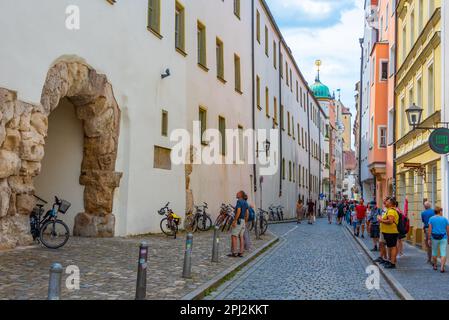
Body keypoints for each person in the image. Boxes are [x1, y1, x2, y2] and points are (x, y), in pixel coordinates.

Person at [376, 197, 399, 269]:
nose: (386, 202)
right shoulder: (389, 210)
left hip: (391, 232)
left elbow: (390, 221)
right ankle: (390, 261)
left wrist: (381, 220)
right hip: (388, 232)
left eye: (388, 202)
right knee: (390, 247)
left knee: (392, 247)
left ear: (391, 203)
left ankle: (392, 263)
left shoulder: (391, 211)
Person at [228, 191, 249, 258]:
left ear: (240, 195)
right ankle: (241, 252)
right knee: (241, 237)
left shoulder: (239, 201)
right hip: (243, 221)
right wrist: (245, 221)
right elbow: (246, 212)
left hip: (238, 220)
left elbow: (239, 211)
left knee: (234, 236)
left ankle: (234, 252)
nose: (236, 193)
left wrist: (234, 220)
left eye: (238, 193)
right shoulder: (245, 202)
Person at [428, 207, 449, 273]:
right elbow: (448, 230)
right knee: (443, 252)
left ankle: (435, 265)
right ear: (439, 211)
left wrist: (429, 238)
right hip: (443, 237)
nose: (442, 212)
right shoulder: (445, 219)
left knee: (434, 252)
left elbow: (430, 229)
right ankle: (442, 267)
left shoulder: (431, 219)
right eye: (441, 211)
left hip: (434, 238)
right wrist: (448, 237)